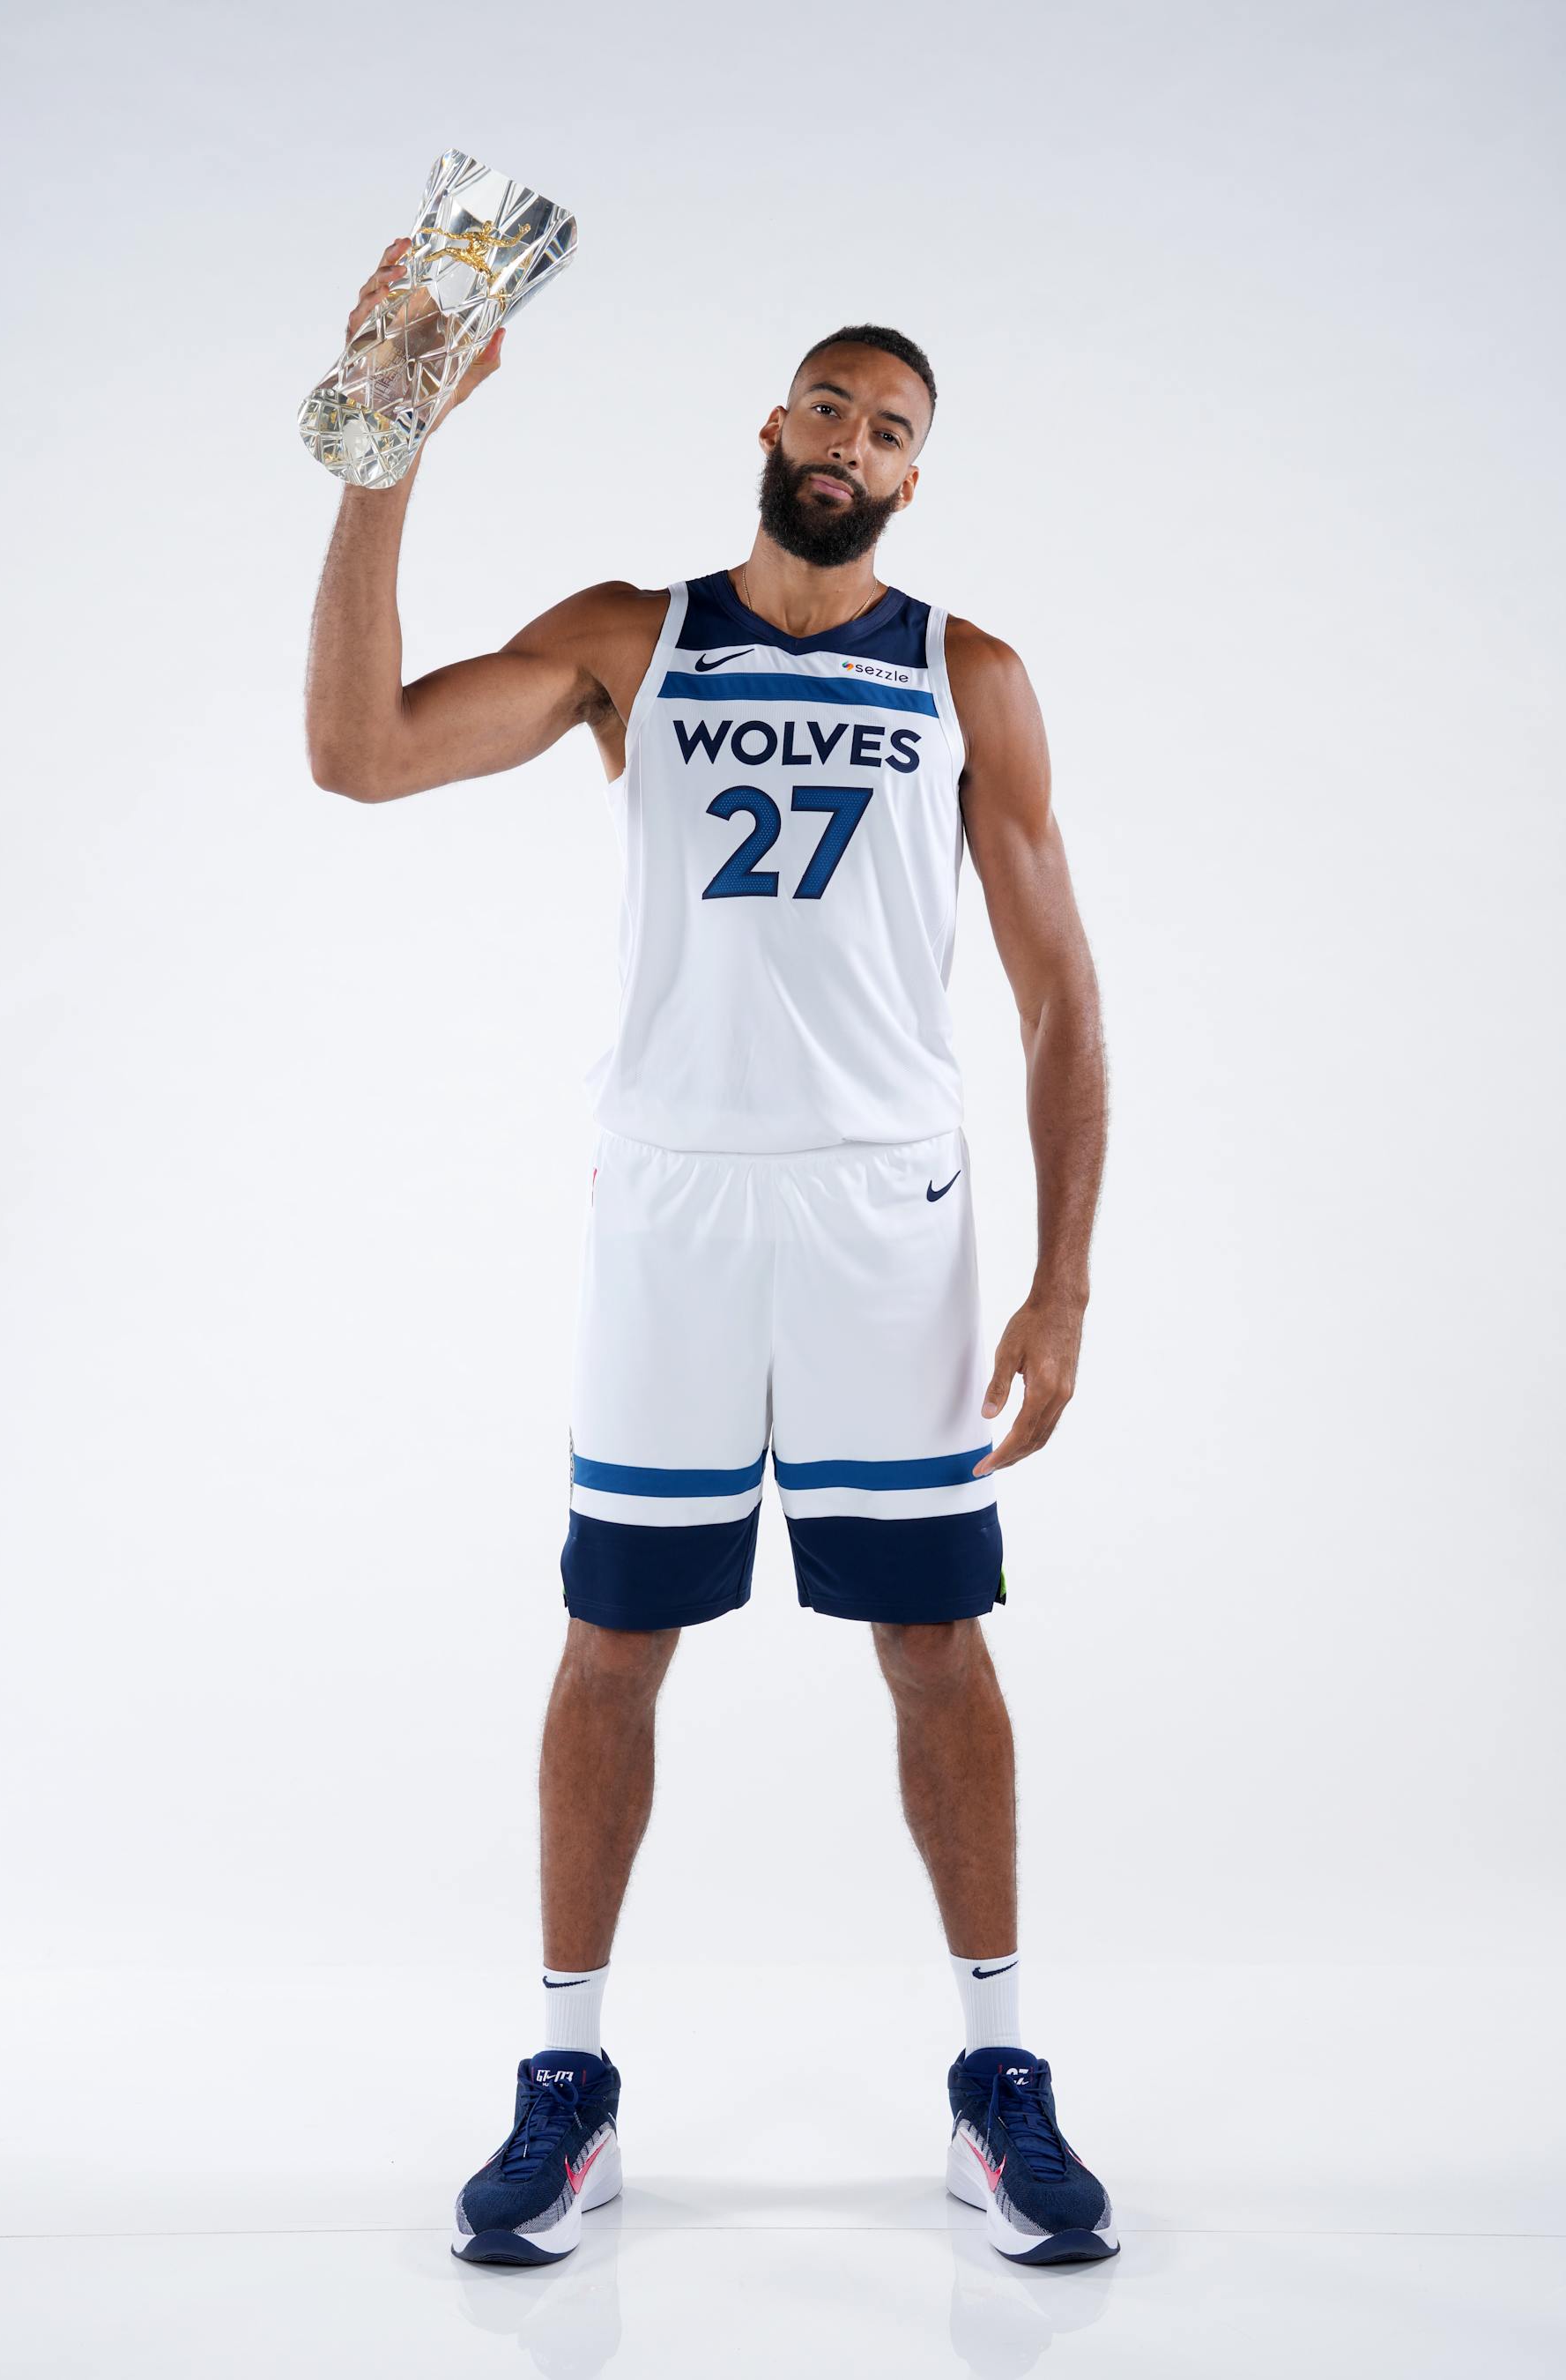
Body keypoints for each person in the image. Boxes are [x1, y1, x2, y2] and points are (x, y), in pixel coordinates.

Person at [305, 236, 1117, 2270]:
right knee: (612, 1643)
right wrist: (383, 451)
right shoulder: (631, 639)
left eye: (893, 429)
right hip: (673, 1203)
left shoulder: (966, 675)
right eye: (829, 404)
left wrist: (1067, 1277)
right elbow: (363, 751)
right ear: (772, 426)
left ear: (917, 482)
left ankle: (998, 2083)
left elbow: (1061, 1005)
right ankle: (567, 2088)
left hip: (881, 1218)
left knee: (935, 1643)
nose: (852, 441)